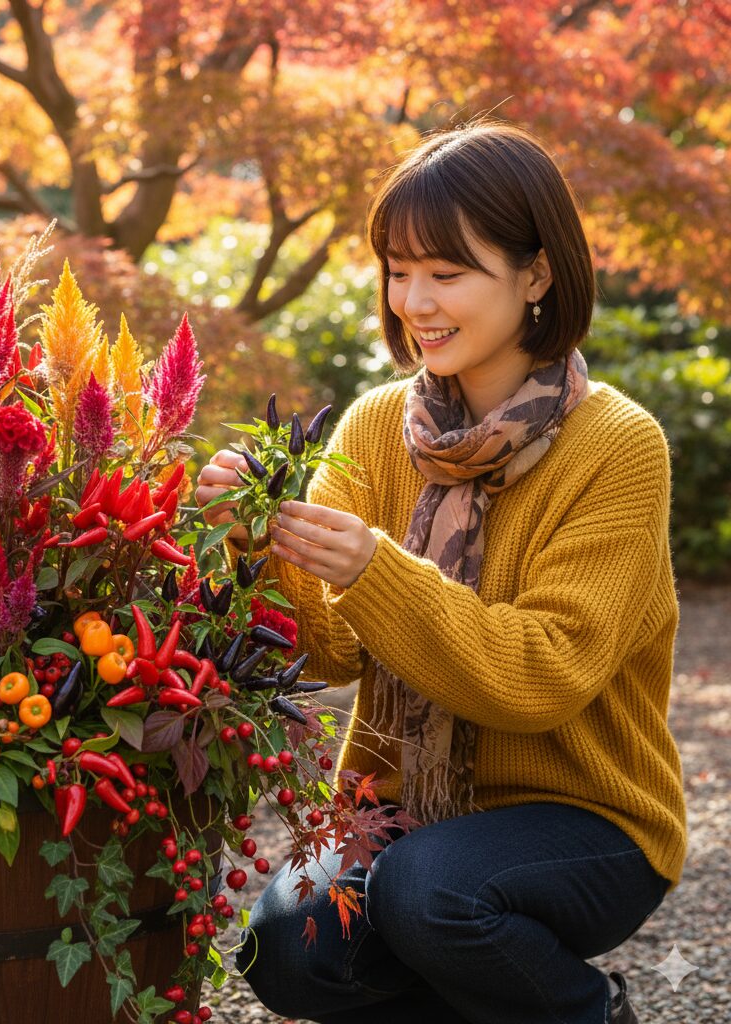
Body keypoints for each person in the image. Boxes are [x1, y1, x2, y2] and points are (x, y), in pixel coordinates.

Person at [194, 121, 686, 1024]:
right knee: (288, 948)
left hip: (586, 816)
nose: (414, 300)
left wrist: (379, 569)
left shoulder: (619, 447)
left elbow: (542, 675)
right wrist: (254, 542)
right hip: (398, 803)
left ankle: (588, 1013)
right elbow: (330, 650)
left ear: (536, 276)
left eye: (447, 273)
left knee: (427, 895)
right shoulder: (380, 426)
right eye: (397, 269)